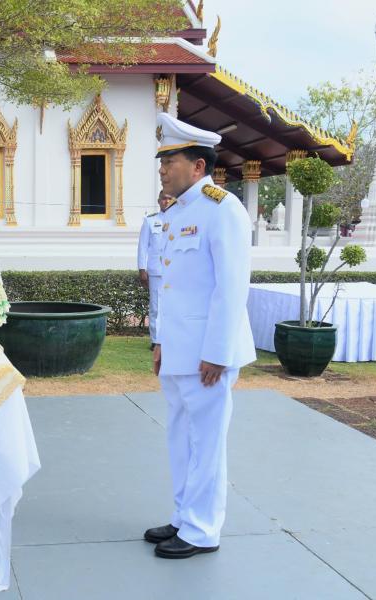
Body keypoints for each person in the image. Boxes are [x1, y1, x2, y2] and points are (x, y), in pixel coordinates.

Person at [143, 113, 256, 559]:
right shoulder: (177, 213)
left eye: (169, 161)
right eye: (161, 162)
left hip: (208, 354)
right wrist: (160, 341)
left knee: (206, 443)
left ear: (198, 166)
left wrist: (218, 352)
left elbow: (231, 287)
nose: (162, 170)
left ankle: (202, 530)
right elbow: (171, 286)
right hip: (178, 350)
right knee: (180, 438)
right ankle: (183, 517)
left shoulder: (222, 209)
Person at [137, 192, 174, 349]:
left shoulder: (180, 219)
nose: (166, 201)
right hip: (156, 271)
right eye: (164, 198)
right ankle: (156, 340)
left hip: (176, 271)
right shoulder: (150, 221)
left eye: (169, 198)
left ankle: (172, 339)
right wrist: (142, 269)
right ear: (159, 201)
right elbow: (143, 246)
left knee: (175, 305)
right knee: (156, 307)